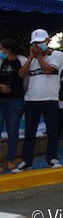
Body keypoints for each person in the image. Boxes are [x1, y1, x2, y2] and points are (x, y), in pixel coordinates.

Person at [13, 29, 63, 172]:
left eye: (40, 42)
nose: (38, 46)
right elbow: (21, 74)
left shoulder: (57, 55)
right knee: (29, 132)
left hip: (50, 99)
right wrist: (31, 57)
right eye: (35, 43)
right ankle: (27, 161)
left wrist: (39, 56)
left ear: (48, 41)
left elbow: (48, 70)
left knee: (52, 131)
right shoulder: (31, 59)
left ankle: (52, 158)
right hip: (31, 99)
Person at [0, 38, 26, 172]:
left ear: (8, 50)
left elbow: (25, 77)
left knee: (13, 130)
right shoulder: (0, 61)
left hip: (16, 99)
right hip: (1, 99)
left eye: (2, 49)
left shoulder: (21, 60)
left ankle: (10, 160)